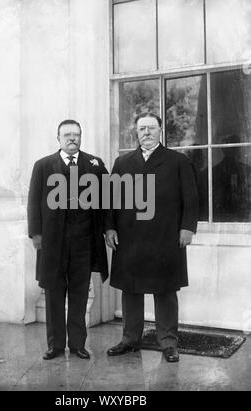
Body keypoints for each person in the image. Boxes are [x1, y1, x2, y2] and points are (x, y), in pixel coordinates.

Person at [105, 113, 199, 363]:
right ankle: (130, 339)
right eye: (142, 128)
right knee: (130, 289)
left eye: (151, 128)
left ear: (160, 131)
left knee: (165, 290)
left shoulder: (178, 161)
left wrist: (187, 228)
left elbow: (191, 198)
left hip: (166, 237)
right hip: (129, 238)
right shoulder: (122, 163)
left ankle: (168, 343)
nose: (146, 132)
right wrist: (110, 228)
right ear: (136, 132)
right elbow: (111, 200)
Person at [27, 119, 108, 360]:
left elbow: (107, 201)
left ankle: (77, 345)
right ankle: (55, 345)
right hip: (53, 243)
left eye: (76, 135)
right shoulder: (43, 166)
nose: (72, 138)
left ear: (81, 137)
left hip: (83, 242)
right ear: (58, 138)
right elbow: (33, 202)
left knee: (79, 293)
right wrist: (36, 234)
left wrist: (108, 229)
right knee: (53, 292)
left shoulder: (94, 164)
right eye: (67, 135)